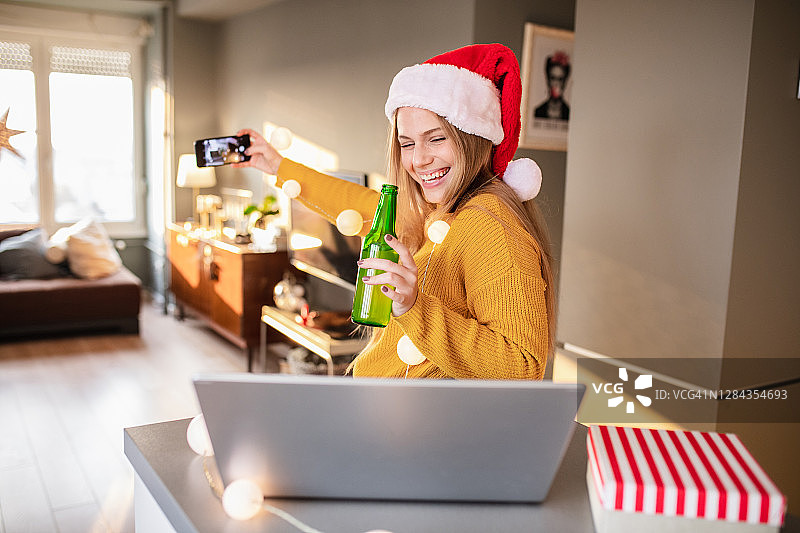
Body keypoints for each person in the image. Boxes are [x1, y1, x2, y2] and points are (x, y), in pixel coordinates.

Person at [236, 43, 555, 380]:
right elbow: (361, 205)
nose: (419, 160)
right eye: (407, 143)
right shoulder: (443, 210)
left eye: (436, 139)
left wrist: (413, 307)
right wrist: (278, 166)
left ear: (473, 138)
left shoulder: (491, 223)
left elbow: (521, 366)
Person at [533, 51, 571, 120]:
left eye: (560, 79)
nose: (556, 84)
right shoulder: (538, 112)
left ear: (565, 81)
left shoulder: (569, 113)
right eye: (553, 78)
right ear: (548, 80)